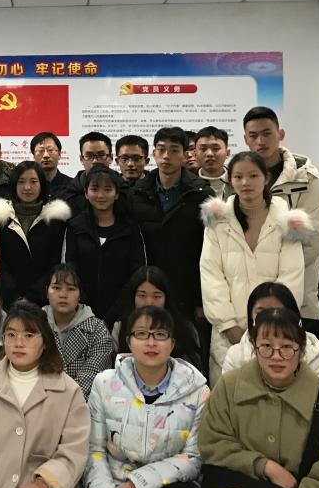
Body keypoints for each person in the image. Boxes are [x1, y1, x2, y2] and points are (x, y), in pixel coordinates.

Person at [198, 308, 319, 488]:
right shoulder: (229, 388)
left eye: (287, 347)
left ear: (302, 350)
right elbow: (212, 444)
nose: (276, 356)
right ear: (254, 347)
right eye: (266, 346)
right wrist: (262, 465)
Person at [0, 301, 91, 488]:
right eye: (11, 335)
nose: (18, 343)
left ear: (45, 342)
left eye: (29, 335)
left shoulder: (69, 391)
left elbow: (74, 450)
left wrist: (42, 485)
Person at [200, 151, 313, 384]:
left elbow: (292, 275)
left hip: (277, 333)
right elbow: (211, 274)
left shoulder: (288, 221)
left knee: (277, 390)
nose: (245, 183)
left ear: (266, 178)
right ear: (230, 180)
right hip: (228, 333)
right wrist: (228, 325)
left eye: (253, 176)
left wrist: (272, 325)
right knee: (229, 394)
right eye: (238, 176)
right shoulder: (217, 221)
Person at [85, 305, 209, 488]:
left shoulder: (197, 391)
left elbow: (193, 457)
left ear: (172, 344)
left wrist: (138, 485)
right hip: (114, 486)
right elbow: (95, 451)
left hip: (168, 486)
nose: (151, 342)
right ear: (129, 342)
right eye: (141, 334)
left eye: (160, 335)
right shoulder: (104, 384)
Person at [130, 127, 214, 353]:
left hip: (186, 289)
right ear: (154, 154)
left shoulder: (201, 194)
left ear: (185, 154)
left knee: (186, 348)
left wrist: (201, 299)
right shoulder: (137, 194)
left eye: (174, 150)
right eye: (161, 150)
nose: (166, 156)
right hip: (148, 287)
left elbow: (208, 251)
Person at [243, 107, 319, 330]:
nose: (260, 141)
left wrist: (274, 279)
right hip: (249, 297)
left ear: (280, 134)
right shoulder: (239, 178)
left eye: (267, 133)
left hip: (297, 297)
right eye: (253, 135)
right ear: (245, 140)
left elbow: (314, 239)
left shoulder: (305, 177)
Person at [64, 164, 147, 324]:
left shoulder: (130, 229)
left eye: (108, 189)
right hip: (82, 313)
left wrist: (116, 312)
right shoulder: (75, 226)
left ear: (116, 194)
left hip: (122, 315)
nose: (101, 195)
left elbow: (138, 272)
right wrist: (85, 308)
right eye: (94, 189)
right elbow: (70, 269)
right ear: (86, 193)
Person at [0, 160, 71, 307]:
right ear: (14, 184)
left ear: (42, 184)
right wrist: (12, 296)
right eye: (21, 182)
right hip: (6, 300)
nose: (27, 187)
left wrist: (33, 297)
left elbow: (55, 262)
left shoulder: (56, 220)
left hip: (43, 301)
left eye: (33, 181)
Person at [221, 282, 319, 383]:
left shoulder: (311, 352)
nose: (269, 319)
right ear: (250, 318)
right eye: (261, 313)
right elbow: (225, 395)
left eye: (277, 312)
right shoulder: (236, 355)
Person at [114, 266, 203, 372]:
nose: (149, 302)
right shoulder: (120, 327)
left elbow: (193, 371)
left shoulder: (185, 328)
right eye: (142, 295)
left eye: (156, 296)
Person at [43, 264, 113, 399]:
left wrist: (64, 401)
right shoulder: (34, 325)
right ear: (47, 292)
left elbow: (92, 375)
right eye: (56, 288)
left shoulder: (97, 329)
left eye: (71, 289)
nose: (63, 295)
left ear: (80, 293)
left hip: (83, 404)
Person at [58, 131, 114, 214]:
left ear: (111, 157)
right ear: (81, 159)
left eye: (101, 155)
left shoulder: (124, 190)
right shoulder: (66, 195)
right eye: (89, 156)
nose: (95, 161)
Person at [30, 131, 72, 201]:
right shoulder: (28, 187)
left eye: (50, 150)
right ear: (34, 156)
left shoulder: (72, 185)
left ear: (59, 154)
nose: (46, 155)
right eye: (41, 151)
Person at [194, 126, 231, 198]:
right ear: (195, 154)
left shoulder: (238, 181)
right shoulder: (186, 183)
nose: (209, 154)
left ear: (227, 153)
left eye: (216, 148)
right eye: (203, 149)